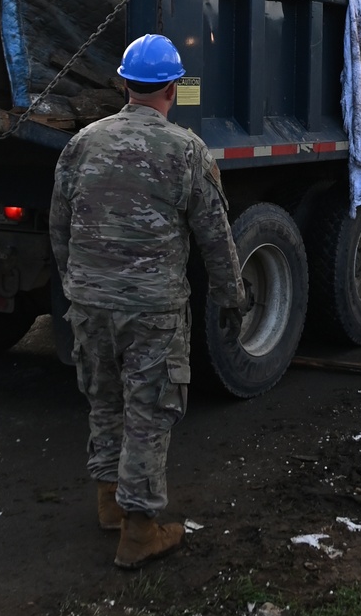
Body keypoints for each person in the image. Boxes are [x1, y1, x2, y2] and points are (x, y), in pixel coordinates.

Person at [50, 34, 244, 569]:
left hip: (89, 303)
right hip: (152, 311)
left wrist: (78, 283)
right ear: (173, 89)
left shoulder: (82, 143)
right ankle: (139, 531)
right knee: (149, 412)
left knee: (106, 402)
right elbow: (215, 237)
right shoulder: (185, 150)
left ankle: (109, 504)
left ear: (125, 83)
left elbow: (60, 225)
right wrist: (232, 298)